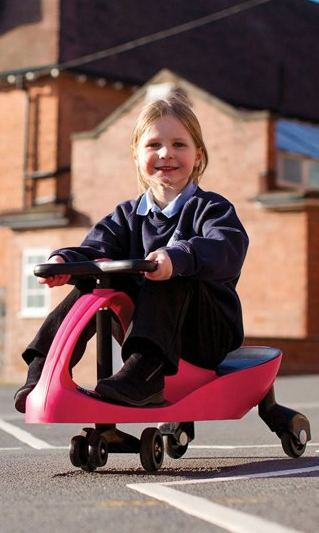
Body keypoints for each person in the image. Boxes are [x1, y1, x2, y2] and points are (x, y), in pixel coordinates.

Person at [14, 88, 249, 413]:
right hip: (144, 330)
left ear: (197, 156)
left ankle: (144, 376)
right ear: (136, 156)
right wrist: (66, 261)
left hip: (204, 336)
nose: (166, 153)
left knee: (168, 273)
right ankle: (44, 367)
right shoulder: (127, 215)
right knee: (97, 274)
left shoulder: (211, 209)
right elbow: (95, 247)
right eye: (154, 145)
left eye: (179, 144)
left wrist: (177, 257)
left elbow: (227, 247)